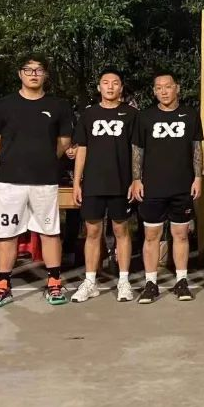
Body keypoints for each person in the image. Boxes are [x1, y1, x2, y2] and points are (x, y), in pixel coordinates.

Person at [0, 56, 73, 308]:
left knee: (49, 231)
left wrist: (45, 160)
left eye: (39, 70)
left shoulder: (58, 106)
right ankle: (2, 285)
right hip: (11, 183)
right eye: (28, 70)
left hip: (45, 182)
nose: (33, 74)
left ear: (46, 75)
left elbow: (64, 142)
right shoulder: (4, 105)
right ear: (20, 74)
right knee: (7, 233)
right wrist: (10, 158)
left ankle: (54, 282)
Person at [131, 72, 203, 304]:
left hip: (182, 185)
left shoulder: (190, 115)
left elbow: (196, 148)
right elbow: (137, 150)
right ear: (154, 91)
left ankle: (181, 281)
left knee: (180, 234)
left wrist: (198, 177)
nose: (164, 91)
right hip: (153, 186)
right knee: (151, 235)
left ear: (177, 88)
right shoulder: (145, 117)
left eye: (168, 86)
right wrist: (136, 179)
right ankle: (150, 283)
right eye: (159, 87)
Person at [70, 69, 139, 303]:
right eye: (105, 82)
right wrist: (77, 182)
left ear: (121, 88)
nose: (110, 87)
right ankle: (90, 281)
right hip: (93, 183)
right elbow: (82, 149)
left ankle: (124, 281)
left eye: (115, 83)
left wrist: (136, 179)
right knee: (92, 232)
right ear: (99, 87)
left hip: (121, 183)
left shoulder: (131, 114)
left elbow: (136, 150)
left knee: (121, 230)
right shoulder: (88, 115)